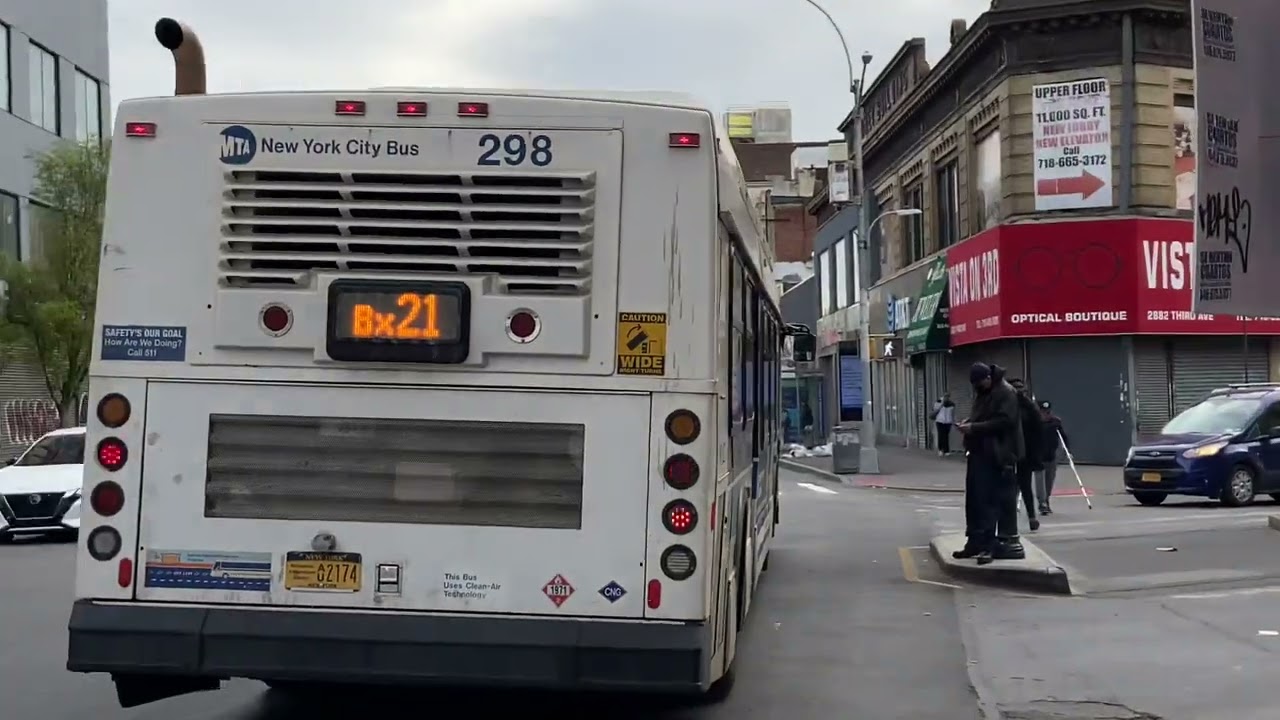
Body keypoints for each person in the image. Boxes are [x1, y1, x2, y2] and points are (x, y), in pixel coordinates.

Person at [952, 362, 1024, 564]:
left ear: (988, 378)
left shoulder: (1005, 393)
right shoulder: (985, 391)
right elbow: (986, 416)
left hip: (996, 454)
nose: (977, 387)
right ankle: (975, 541)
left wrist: (973, 428)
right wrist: (970, 422)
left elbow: (1004, 422)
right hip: (979, 451)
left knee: (989, 501)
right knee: (975, 499)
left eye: (979, 383)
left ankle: (988, 545)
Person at [1008, 378, 1045, 531]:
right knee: (1015, 486)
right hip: (1012, 452)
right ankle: (1013, 518)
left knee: (1023, 486)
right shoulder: (1011, 406)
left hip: (1024, 453)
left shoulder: (1028, 407)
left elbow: (1038, 429)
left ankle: (1031, 516)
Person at [1035, 400, 1069, 515]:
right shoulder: (1035, 423)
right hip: (1038, 457)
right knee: (1040, 481)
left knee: (1049, 481)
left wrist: (1067, 450)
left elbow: (1064, 437)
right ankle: (1042, 503)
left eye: (1048, 412)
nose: (1046, 414)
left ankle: (1046, 500)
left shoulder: (1055, 423)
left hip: (1051, 456)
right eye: (1043, 412)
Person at [931, 391, 956, 456]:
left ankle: (946, 450)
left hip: (948, 422)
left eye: (948, 396)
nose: (947, 398)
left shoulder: (951, 404)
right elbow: (934, 410)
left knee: (946, 436)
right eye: (945, 396)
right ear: (943, 396)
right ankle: (940, 450)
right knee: (941, 435)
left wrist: (953, 421)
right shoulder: (938, 402)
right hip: (939, 421)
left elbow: (952, 413)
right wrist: (941, 405)